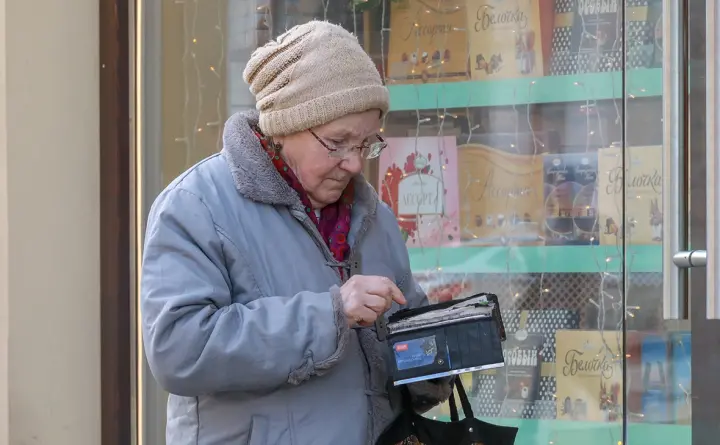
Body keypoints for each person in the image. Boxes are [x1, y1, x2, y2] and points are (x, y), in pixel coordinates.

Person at [141, 20, 453, 445]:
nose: (355, 164)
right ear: (284, 126)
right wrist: (330, 314)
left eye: (366, 143)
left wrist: (440, 351)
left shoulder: (372, 215)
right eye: (337, 141)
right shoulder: (195, 205)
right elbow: (179, 351)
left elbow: (398, 341)